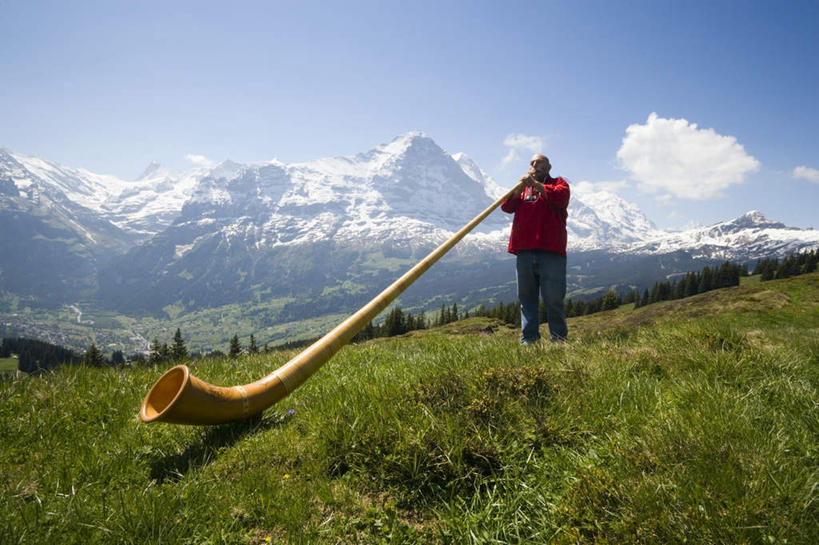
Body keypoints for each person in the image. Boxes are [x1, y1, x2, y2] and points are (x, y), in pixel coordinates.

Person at [501, 154, 570, 344]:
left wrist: (536, 185)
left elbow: (560, 198)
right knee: (527, 298)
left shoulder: (559, 183)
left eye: (539, 162)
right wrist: (519, 189)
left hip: (551, 251)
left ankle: (558, 340)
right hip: (524, 250)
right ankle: (529, 340)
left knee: (553, 298)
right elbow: (507, 207)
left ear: (549, 166)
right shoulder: (523, 188)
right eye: (531, 163)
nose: (534, 165)